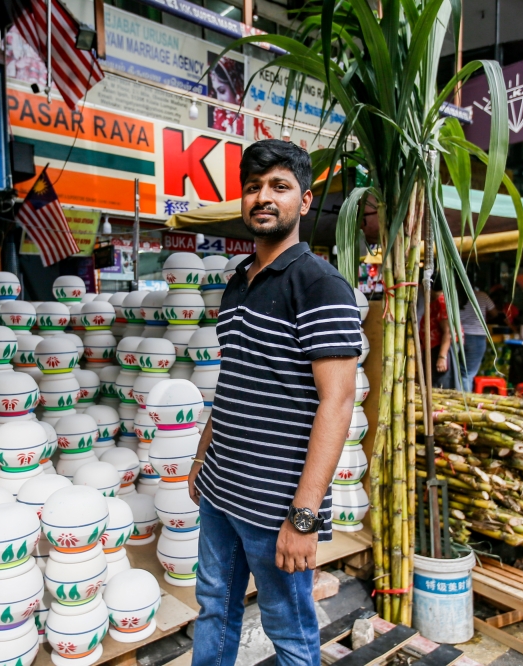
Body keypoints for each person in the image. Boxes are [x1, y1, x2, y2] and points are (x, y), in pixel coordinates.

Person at [188, 140, 362, 666]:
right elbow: (235, 381)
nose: (263, 197)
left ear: (304, 201)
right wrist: (202, 458)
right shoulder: (237, 283)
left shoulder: (321, 285)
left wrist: (304, 517)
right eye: (253, 187)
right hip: (222, 489)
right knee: (214, 608)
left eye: (279, 186)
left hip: (277, 504)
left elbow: (338, 403)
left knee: (289, 628)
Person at [459, 283, 494, 391]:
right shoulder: (482, 295)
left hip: (459, 335)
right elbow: (495, 312)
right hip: (477, 336)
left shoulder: (456, 295)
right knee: (467, 374)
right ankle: (465, 399)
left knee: (459, 372)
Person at [421, 277, 454, 389]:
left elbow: (448, 332)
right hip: (434, 349)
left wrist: (442, 357)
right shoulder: (436, 302)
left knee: (441, 384)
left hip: (440, 349)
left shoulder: (442, 302)